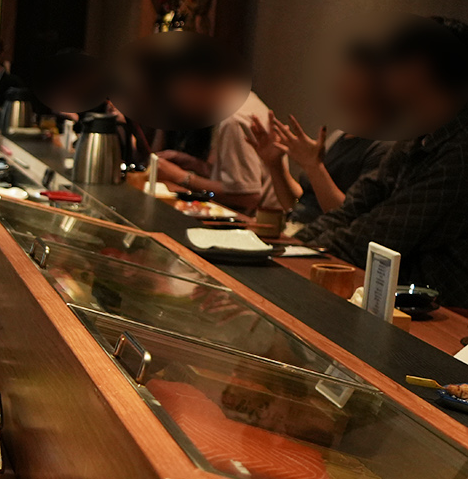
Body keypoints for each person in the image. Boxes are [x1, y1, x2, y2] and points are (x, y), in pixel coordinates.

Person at [296, 16, 468, 305]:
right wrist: (296, 247)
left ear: (419, 70)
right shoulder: (417, 136)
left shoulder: (460, 152)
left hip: (443, 316)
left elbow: (380, 234)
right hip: (389, 297)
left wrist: (300, 255)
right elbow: (354, 208)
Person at [245, 43, 394, 227]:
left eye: (353, 75)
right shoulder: (340, 136)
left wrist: (314, 167)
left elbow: (350, 219)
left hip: (326, 247)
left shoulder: (384, 148)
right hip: (298, 234)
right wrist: (275, 165)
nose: (340, 82)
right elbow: (299, 205)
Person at [139, 33, 279, 214]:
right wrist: (195, 165)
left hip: (255, 227)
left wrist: (181, 176)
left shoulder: (233, 120)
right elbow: (236, 178)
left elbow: (247, 196)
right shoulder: (241, 100)